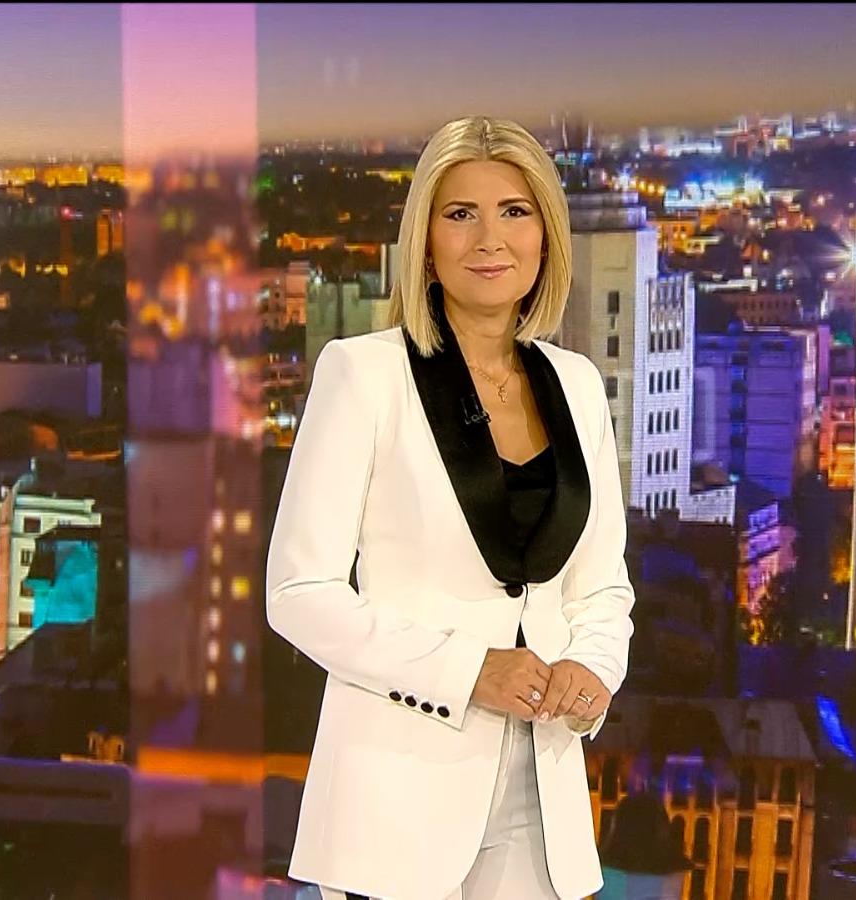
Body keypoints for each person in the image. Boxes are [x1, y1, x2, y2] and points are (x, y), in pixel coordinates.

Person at [266, 115, 636, 900]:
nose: (489, 239)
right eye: (461, 214)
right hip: (394, 797)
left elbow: (603, 587)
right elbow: (299, 593)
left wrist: (594, 670)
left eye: (515, 212)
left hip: (544, 794)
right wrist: (469, 672)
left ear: (546, 236)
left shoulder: (577, 386)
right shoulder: (362, 374)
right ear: (426, 243)